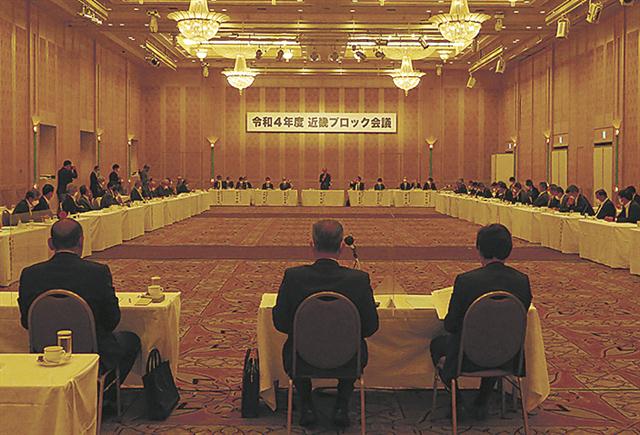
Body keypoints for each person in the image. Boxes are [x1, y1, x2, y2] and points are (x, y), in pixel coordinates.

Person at [18, 219, 141, 403]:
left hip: (46, 350)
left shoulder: (30, 274)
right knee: (131, 341)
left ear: (50, 244)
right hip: (92, 350)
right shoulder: (97, 273)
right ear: (81, 241)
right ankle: (102, 398)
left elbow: (26, 322)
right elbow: (112, 320)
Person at [272, 220, 379, 428]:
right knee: (354, 343)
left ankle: (306, 403)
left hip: (300, 359)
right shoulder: (359, 280)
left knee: (295, 343)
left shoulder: (293, 277)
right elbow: (370, 327)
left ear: (311, 245)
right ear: (342, 246)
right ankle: (342, 404)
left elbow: (280, 323)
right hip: (349, 360)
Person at [430, 224, 532, 420]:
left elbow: (450, 325)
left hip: (466, 358)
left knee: (437, 344)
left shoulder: (466, 281)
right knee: (495, 339)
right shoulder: (522, 281)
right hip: (507, 356)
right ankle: (482, 400)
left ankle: (457, 401)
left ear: (479, 249)